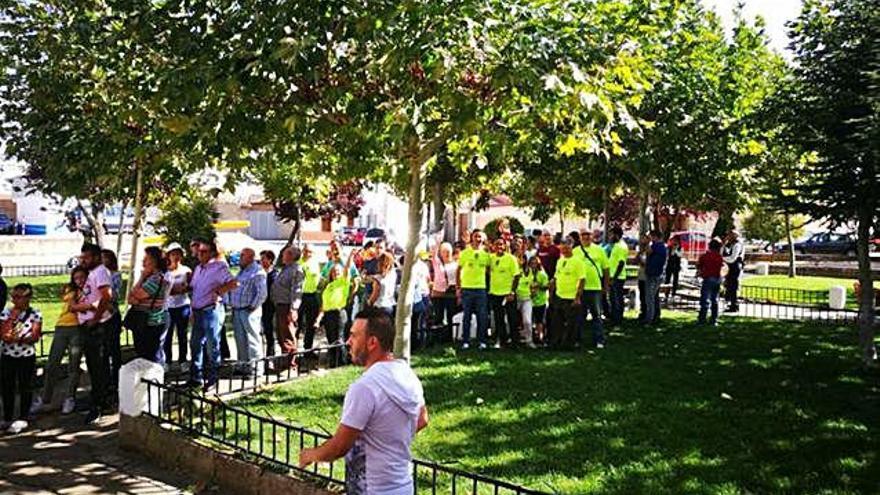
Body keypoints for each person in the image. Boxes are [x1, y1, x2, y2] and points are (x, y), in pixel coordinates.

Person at [298, 308, 428, 495]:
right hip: (403, 487)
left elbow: (339, 447)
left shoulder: (365, 388)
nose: (348, 342)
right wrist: (389, 437)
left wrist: (309, 455)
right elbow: (422, 419)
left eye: (353, 336)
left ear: (372, 342)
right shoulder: (406, 374)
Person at [34, 267, 87, 415]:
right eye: (76, 278)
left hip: (77, 328)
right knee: (52, 363)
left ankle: (70, 397)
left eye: (82, 277)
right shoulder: (71, 289)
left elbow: (83, 308)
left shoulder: (88, 290)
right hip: (61, 326)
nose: (79, 280)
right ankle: (45, 398)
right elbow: (68, 305)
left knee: (74, 364)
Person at [72, 243, 114, 424]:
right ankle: (97, 398)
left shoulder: (101, 272)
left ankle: (98, 404)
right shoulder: (92, 273)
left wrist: (96, 319)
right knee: (93, 364)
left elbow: (106, 296)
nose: (84, 261)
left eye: (87, 257)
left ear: (96, 257)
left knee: (98, 365)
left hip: (97, 326)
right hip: (87, 325)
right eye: (83, 257)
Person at [188, 240, 237, 389]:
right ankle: (196, 377)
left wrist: (218, 291)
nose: (200, 254)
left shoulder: (219, 267)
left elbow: (234, 283)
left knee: (212, 346)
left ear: (211, 253)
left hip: (210, 311)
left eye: (204, 252)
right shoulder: (198, 268)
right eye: (199, 251)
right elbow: (195, 289)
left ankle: (213, 379)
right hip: (197, 311)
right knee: (195, 344)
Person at [0, 283, 42, 434]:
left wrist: (17, 338)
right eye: (13, 297)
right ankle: (7, 416)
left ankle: (24, 416)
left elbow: (34, 336)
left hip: (26, 355)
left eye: (18, 297)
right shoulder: (6, 312)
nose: (14, 300)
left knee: (26, 386)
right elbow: (5, 335)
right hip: (8, 355)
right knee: (7, 386)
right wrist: (12, 320)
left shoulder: (35, 313)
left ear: (27, 298)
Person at [228, 248, 268, 376]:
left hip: (249, 311)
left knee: (252, 339)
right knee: (240, 339)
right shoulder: (242, 271)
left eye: (242, 256)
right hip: (238, 310)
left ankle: (256, 369)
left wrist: (253, 306)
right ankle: (243, 365)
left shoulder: (258, 271)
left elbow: (262, 293)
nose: (240, 258)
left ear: (250, 257)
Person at [126, 247, 169, 363]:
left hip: (152, 322)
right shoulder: (149, 278)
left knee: (151, 355)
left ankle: (154, 378)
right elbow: (129, 298)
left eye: (146, 259)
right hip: (142, 320)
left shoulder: (156, 279)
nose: (143, 261)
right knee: (142, 353)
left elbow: (137, 294)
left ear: (154, 261)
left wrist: (141, 278)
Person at [318, 250, 357, 366]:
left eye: (338, 271)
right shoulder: (329, 286)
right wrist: (318, 319)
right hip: (328, 314)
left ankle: (342, 362)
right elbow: (324, 305)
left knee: (339, 338)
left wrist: (350, 256)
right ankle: (333, 362)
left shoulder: (343, 282)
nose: (336, 273)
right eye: (334, 271)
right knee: (330, 337)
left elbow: (347, 269)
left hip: (339, 312)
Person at [456, 229, 491, 350]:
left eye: (480, 237)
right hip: (467, 288)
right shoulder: (464, 253)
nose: (478, 239)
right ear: (472, 238)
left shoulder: (486, 255)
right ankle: (466, 340)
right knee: (467, 316)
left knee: (482, 316)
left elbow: (489, 271)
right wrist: (458, 287)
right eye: (476, 236)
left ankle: (482, 341)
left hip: (481, 289)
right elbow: (458, 270)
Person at [548, 238, 585, 349]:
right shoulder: (560, 261)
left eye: (566, 247)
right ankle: (556, 343)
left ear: (571, 247)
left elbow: (582, 280)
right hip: (559, 296)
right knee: (557, 322)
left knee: (571, 324)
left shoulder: (578, 262)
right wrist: (551, 291)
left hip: (571, 297)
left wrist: (577, 297)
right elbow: (556, 277)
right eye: (562, 248)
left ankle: (570, 344)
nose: (564, 250)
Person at [574, 229, 608, 348]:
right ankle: (577, 340)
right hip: (580, 289)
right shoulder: (575, 251)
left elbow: (606, 269)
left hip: (595, 288)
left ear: (592, 236)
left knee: (597, 316)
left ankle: (599, 340)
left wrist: (605, 286)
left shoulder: (599, 250)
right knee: (579, 316)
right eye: (583, 235)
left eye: (588, 235)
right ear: (579, 237)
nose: (586, 237)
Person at [272, 245, 304, 358]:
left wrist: (293, 309)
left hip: (287, 307)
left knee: (288, 335)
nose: (282, 256)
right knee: (281, 335)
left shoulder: (296, 270)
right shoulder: (286, 268)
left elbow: (297, 290)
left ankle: (290, 364)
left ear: (291, 255)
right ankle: (284, 360)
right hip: (280, 305)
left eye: (284, 253)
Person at [163, 242, 192, 366]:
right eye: (173, 254)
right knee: (167, 335)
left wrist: (184, 289)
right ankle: (167, 361)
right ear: (168, 256)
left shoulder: (186, 270)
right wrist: (173, 290)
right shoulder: (165, 272)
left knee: (182, 334)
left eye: (178, 254)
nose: (175, 257)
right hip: (168, 307)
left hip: (182, 305)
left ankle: (183, 360)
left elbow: (191, 286)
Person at [488, 237, 520, 347]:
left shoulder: (511, 259)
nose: (499, 247)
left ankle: (515, 342)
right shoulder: (491, 258)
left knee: (512, 318)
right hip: (495, 293)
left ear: (505, 246)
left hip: (508, 294)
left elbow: (516, 276)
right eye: (497, 244)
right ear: (493, 246)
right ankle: (502, 341)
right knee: (498, 319)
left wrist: (512, 291)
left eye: (501, 244)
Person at [101, 249, 123, 392]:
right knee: (102, 349)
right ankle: (105, 379)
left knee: (114, 348)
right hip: (100, 314)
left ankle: (116, 378)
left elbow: (114, 295)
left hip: (112, 313)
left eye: (105, 258)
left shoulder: (115, 275)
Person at [430, 242, 458, 334]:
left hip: (451, 292)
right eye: (444, 251)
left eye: (448, 251)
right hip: (438, 292)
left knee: (451, 314)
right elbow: (433, 252)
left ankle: (449, 334)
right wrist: (438, 242)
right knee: (438, 315)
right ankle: (438, 335)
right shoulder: (437, 263)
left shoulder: (456, 264)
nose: (446, 253)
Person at [298, 244, 322, 350]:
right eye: (306, 251)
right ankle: (293, 350)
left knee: (311, 324)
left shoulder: (315, 263)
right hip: (299, 296)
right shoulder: (298, 263)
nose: (308, 254)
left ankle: (308, 348)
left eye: (310, 252)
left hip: (311, 295)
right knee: (297, 323)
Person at [697, 239, 725, 326]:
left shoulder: (704, 256)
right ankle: (714, 319)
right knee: (715, 300)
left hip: (708, 278)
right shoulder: (719, 257)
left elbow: (699, 266)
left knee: (705, 299)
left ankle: (702, 319)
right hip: (717, 278)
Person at [607, 226, 629, 325]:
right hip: (613, 276)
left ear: (616, 235)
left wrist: (614, 277)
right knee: (613, 298)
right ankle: (614, 317)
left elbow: (621, 263)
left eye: (611, 234)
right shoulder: (617, 245)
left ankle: (618, 318)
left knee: (617, 299)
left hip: (617, 277)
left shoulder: (621, 246)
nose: (610, 236)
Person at [644, 230, 667, 325]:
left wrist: (647, 242)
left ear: (655, 237)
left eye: (651, 237)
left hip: (653, 274)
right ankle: (655, 316)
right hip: (658, 273)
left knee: (650, 298)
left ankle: (650, 319)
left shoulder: (656, 245)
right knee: (653, 297)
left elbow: (648, 251)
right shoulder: (663, 247)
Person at [525, 256, 549, 346]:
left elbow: (546, 286)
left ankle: (540, 337)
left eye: (535, 263)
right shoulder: (527, 274)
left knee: (540, 320)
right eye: (531, 263)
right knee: (529, 320)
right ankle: (531, 337)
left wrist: (538, 286)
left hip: (540, 301)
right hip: (529, 300)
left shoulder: (542, 274)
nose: (533, 265)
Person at [411, 251, 432, 349]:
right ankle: (422, 342)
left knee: (415, 321)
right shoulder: (423, 265)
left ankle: (417, 342)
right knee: (422, 320)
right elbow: (428, 279)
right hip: (424, 293)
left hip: (418, 295)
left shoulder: (412, 266)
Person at [368, 252, 397, 320]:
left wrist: (369, 302)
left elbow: (375, 295)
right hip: (390, 305)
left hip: (379, 306)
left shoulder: (378, 279)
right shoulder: (393, 274)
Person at [259, 250, 278, 356]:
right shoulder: (259, 272)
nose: (261, 261)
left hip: (269, 305)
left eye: (263, 259)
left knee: (268, 330)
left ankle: (270, 353)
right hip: (259, 304)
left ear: (270, 260)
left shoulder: (274, 274)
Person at [723, 230, 744, 313]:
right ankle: (731, 303)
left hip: (735, 267)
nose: (727, 237)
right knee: (729, 286)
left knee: (734, 286)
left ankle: (734, 305)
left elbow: (732, 258)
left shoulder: (737, 245)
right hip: (730, 267)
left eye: (729, 236)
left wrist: (721, 258)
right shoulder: (730, 245)